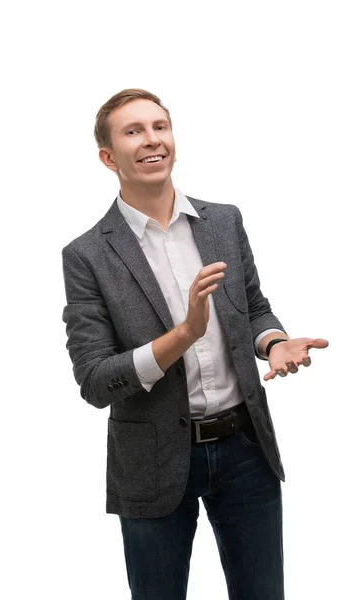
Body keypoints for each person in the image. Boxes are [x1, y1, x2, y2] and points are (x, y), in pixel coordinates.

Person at [61, 88, 329, 600]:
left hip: (245, 449)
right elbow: (95, 381)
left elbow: (252, 308)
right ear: (108, 156)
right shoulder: (87, 255)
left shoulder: (223, 220)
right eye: (133, 131)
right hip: (153, 458)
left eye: (159, 126)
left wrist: (272, 343)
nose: (151, 140)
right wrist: (182, 335)